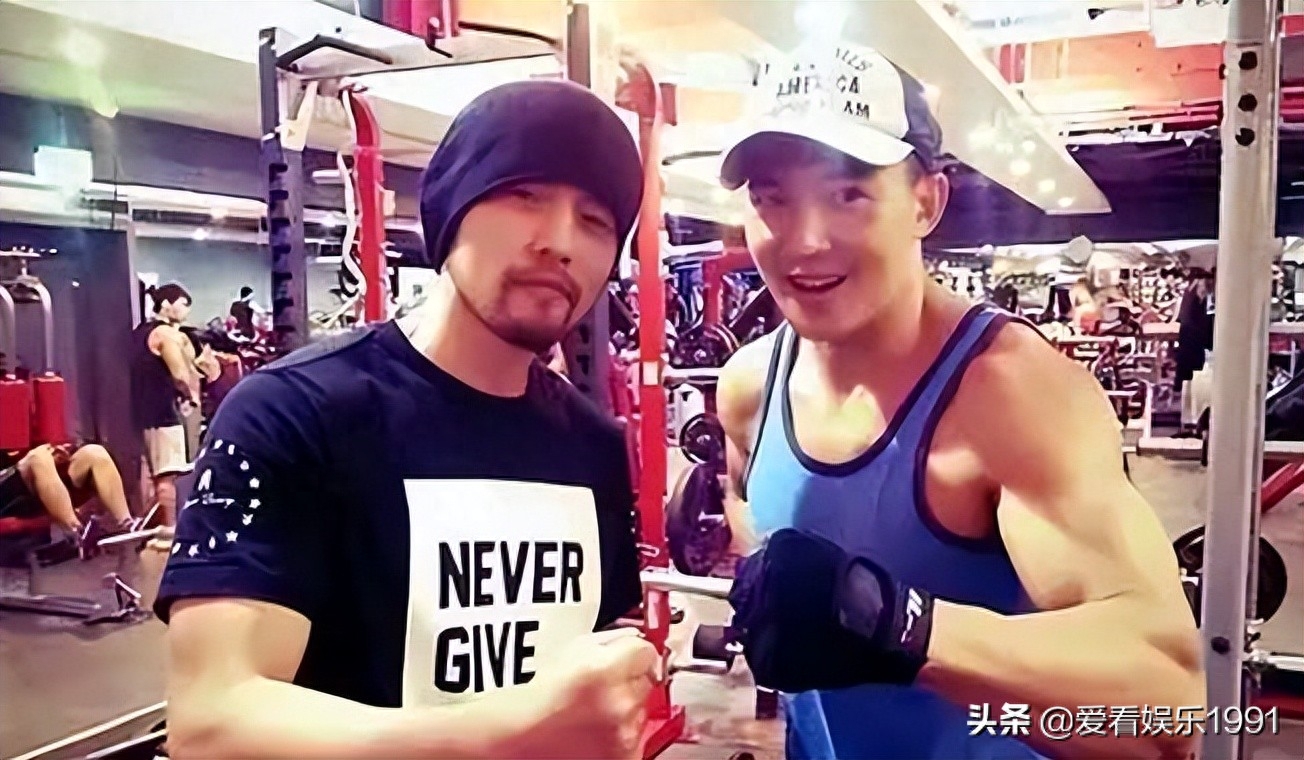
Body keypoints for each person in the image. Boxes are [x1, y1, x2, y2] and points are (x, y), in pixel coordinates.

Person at [714, 42, 1204, 760]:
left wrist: (900, 625)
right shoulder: (749, 389)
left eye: (848, 194)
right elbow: (755, 542)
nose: (805, 241)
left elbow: (1168, 710)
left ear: (927, 201)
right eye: (771, 198)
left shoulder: (1012, 398)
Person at [152, 80, 658, 760]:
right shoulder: (294, 414)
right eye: (524, 196)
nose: (561, 242)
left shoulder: (592, 445)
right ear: (452, 210)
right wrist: (499, 734)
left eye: (595, 221)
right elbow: (212, 721)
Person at [130, 283, 199, 529]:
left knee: (149, 476)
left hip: (141, 413)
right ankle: (170, 532)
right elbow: (180, 375)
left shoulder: (139, 332)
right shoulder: (165, 334)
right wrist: (191, 396)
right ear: (167, 304)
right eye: (183, 304)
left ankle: (148, 531)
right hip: (164, 413)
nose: (186, 311)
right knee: (168, 477)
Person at [0, 443, 136, 537]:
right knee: (38, 457)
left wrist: (58, 453)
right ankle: (76, 531)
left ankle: (128, 523)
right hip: (7, 490)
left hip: (40, 479)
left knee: (94, 452)